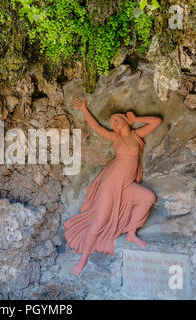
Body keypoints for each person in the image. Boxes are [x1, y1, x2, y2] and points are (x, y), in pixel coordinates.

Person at [64, 96, 162, 277]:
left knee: (148, 198)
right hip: (110, 184)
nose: (114, 124)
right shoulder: (115, 138)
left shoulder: (136, 135)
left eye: (117, 120)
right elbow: (97, 127)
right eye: (113, 123)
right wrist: (84, 109)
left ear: (126, 120)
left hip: (127, 185)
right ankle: (83, 259)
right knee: (99, 221)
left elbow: (157, 121)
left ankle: (131, 233)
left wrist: (137, 119)